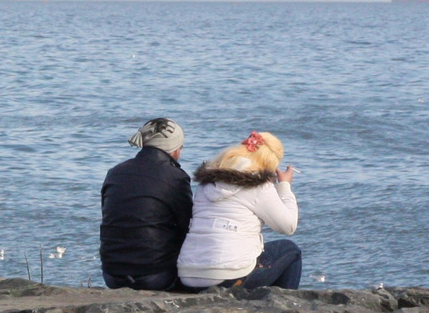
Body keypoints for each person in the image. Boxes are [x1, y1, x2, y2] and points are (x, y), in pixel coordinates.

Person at [176, 131, 302, 290]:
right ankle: (282, 309)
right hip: (227, 277)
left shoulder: (205, 184)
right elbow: (288, 226)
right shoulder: (258, 185)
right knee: (290, 251)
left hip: (188, 273)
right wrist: (284, 186)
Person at [100, 117, 193, 291]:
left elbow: (109, 217)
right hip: (155, 276)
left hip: (112, 275)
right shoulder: (176, 177)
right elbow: (187, 226)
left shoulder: (115, 172)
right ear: (174, 150)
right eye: (180, 147)